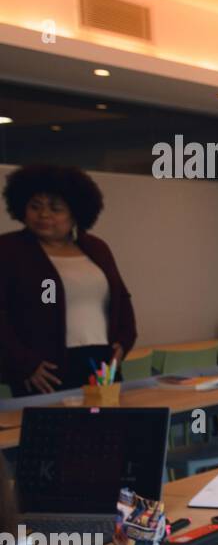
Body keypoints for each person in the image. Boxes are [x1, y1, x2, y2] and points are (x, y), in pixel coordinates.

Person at [0, 165, 137, 397]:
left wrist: (123, 343)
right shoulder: (9, 250)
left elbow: (121, 300)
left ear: (76, 213)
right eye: (35, 207)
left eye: (55, 209)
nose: (44, 215)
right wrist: (24, 364)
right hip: (45, 370)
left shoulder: (97, 248)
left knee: (108, 430)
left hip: (101, 364)